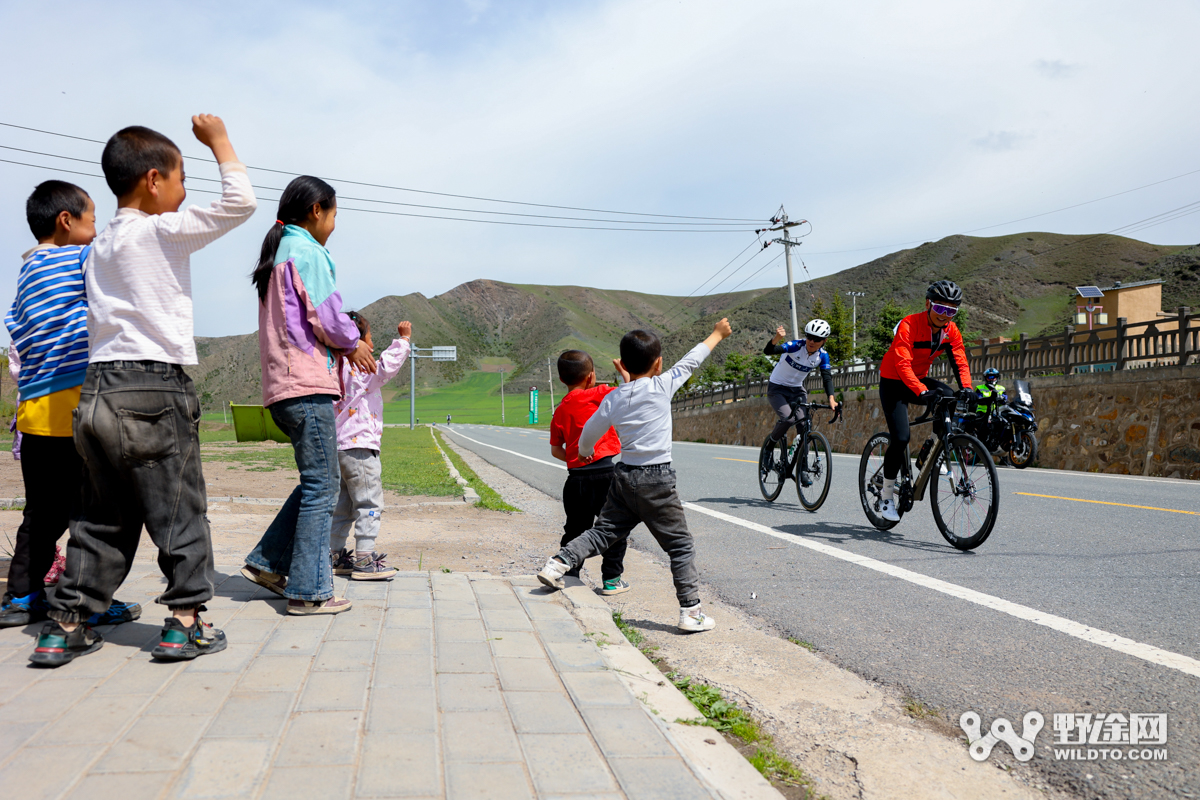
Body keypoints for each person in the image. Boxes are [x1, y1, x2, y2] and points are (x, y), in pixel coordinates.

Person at [30, 116, 257, 667]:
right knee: (178, 507)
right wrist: (220, 142)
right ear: (154, 181)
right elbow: (241, 204)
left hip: (97, 391)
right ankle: (184, 623)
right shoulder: (162, 229)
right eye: (182, 179)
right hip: (153, 387)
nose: (185, 194)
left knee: (99, 514)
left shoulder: (101, 242)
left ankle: (64, 627)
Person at [2, 181, 139, 630]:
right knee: (94, 511)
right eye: (92, 218)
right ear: (67, 221)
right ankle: (88, 602)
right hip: (80, 405)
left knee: (40, 512)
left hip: (35, 412)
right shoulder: (81, 257)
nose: (97, 228)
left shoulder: (27, 272)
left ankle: (21, 596)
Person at [538, 319, 733, 633]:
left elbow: (589, 433)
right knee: (680, 546)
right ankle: (691, 612)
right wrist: (717, 334)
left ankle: (558, 563)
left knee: (604, 532)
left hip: (624, 479)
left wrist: (586, 449)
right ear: (658, 363)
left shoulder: (614, 398)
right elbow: (693, 358)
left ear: (623, 364)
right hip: (658, 481)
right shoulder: (663, 384)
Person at [242, 176, 376, 616]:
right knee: (323, 485)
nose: (334, 225)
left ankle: (267, 563)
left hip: (282, 387)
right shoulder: (307, 252)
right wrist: (353, 341)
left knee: (316, 481)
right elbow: (329, 317)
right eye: (334, 215)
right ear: (317, 210)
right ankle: (309, 591)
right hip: (307, 385)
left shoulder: (280, 253)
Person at [875, 280, 973, 522]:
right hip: (894, 381)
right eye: (940, 308)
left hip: (917, 380)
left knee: (949, 396)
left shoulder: (951, 331)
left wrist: (968, 387)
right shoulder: (910, 324)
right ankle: (886, 495)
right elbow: (901, 363)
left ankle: (931, 451)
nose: (945, 315)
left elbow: (959, 359)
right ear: (928, 304)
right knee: (900, 438)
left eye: (951, 311)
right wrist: (920, 390)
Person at [329, 313, 410, 581]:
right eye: (369, 339)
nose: (372, 347)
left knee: (342, 505)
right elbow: (387, 366)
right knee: (369, 502)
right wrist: (403, 340)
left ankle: (334, 555)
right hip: (361, 447)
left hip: (337, 448)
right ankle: (364, 558)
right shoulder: (361, 367)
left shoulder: (331, 366)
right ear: (356, 340)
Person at [548, 350, 628, 594]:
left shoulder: (560, 411)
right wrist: (624, 372)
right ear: (591, 376)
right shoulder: (600, 393)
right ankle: (612, 580)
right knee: (614, 527)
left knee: (575, 529)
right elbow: (630, 390)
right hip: (606, 475)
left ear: (562, 380)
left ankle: (568, 574)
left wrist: (576, 459)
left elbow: (555, 450)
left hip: (576, 480)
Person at [762, 320, 838, 486]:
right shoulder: (795, 346)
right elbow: (769, 351)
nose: (811, 341)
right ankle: (769, 447)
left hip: (797, 390)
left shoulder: (822, 356)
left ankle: (802, 469)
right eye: (809, 337)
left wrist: (831, 399)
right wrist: (776, 338)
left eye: (817, 339)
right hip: (777, 388)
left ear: (824, 341)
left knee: (805, 428)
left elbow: (827, 378)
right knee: (788, 419)